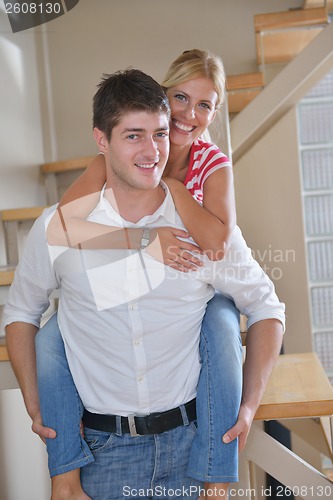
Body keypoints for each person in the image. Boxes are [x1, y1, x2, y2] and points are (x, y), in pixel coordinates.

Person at [4, 69, 285, 500]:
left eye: (159, 134)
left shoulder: (200, 230)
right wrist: (34, 400)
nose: (152, 150)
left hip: (193, 453)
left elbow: (266, 307)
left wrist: (248, 407)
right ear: (102, 141)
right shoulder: (57, 229)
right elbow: (22, 312)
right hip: (100, 456)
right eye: (134, 136)